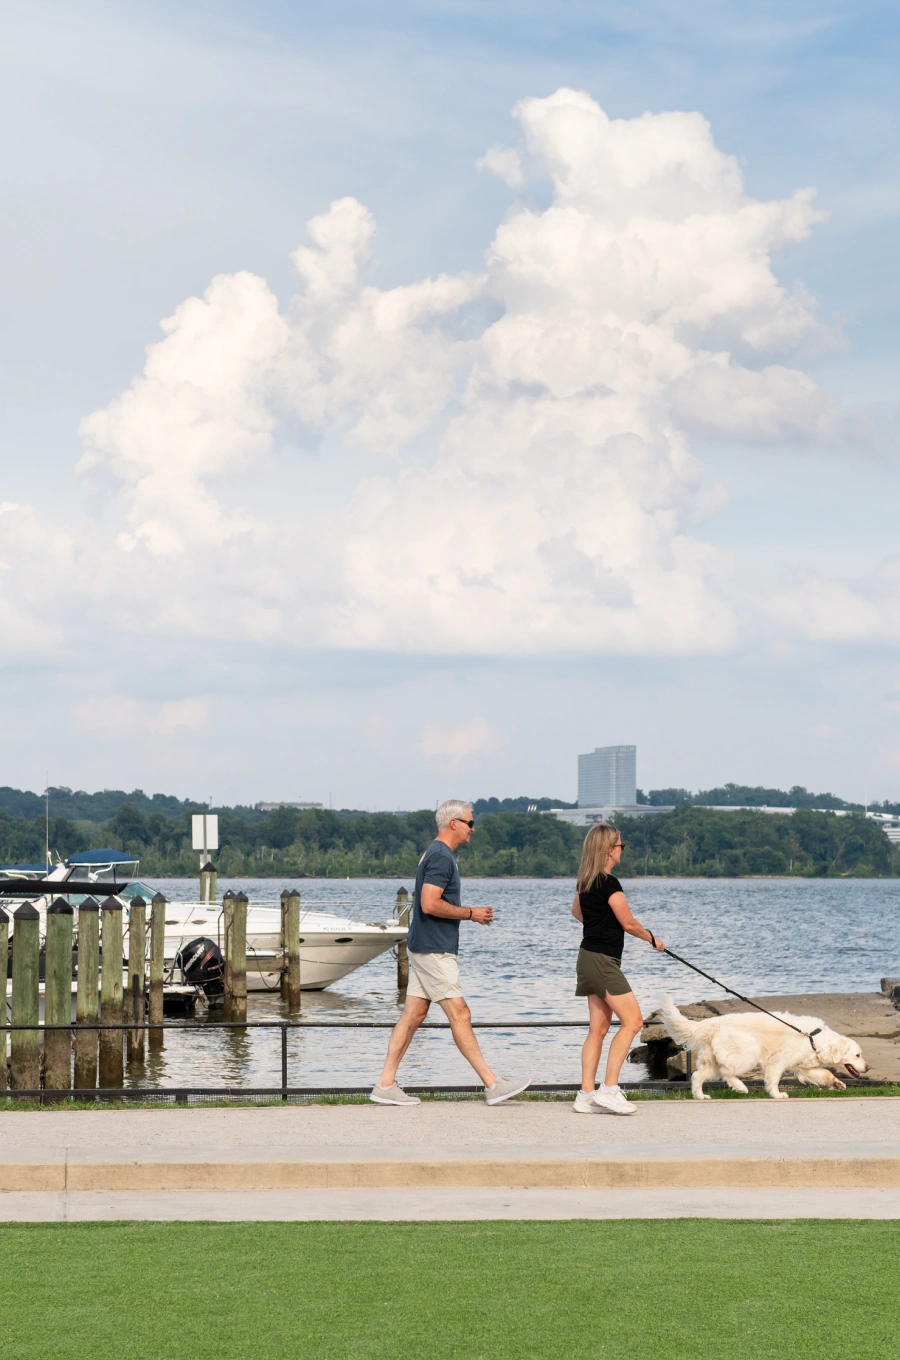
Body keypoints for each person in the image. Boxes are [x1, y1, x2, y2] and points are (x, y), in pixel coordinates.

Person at [371, 799, 531, 1106]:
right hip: (433, 949)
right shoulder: (441, 857)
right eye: (470, 823)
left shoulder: (435, 853)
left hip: (424, 945)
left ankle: (385, 1085)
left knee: (414, 1014)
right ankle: (492, 1083)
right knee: (460, 1013)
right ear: (454, 823)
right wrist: (471, 913)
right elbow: (429, 904)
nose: (474, 829)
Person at [571, 822, 665, 1115]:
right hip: (602, 960)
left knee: (598, 1028)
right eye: (620, 845)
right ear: (609, 850)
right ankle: (609, 1089)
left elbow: (577, 912)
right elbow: (628, 922)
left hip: (587, 957)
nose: (622, 850)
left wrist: (599, 922)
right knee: (634, 1021)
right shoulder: (610, 883)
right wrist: (653, 939)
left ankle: (586, 1095)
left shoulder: (586, 881)